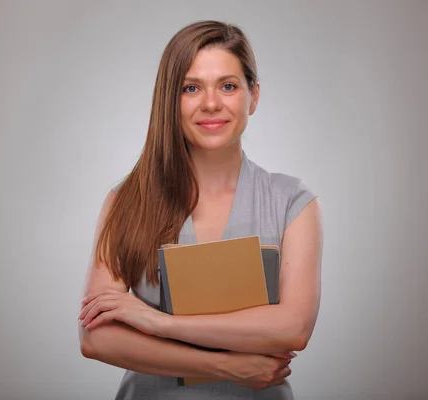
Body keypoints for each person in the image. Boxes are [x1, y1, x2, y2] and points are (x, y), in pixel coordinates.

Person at [78, 20, 323, 400]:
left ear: (253, 96)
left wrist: (154, 321)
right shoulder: (127, 200)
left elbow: (293, 328)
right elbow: (97, 338)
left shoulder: (292, 201)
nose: (211, 103)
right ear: (169, 100)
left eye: (228, 86)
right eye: (191, 88)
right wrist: (224, 365)